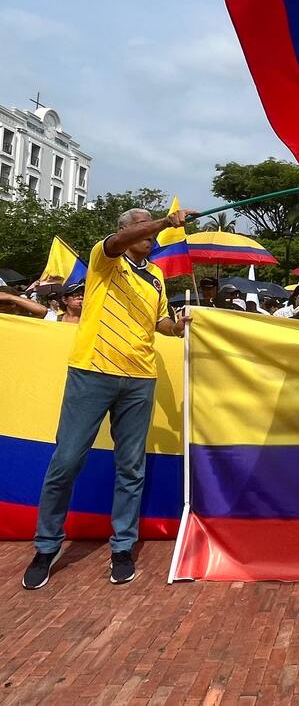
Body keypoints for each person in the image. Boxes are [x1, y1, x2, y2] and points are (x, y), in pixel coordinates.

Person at [23, 205, 195, 590]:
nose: (148, 233)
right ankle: (47, 546)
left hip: (138, 379)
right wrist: (167, 221)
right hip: (92, 372)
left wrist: (178, 327)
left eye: (151, 227)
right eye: (141, 225)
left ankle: (122, 546)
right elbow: (119, 243)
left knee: (131, 467)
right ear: (124, 229)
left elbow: (159, 323)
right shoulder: (105, 258)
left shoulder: (155, 277)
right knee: (66, 461)